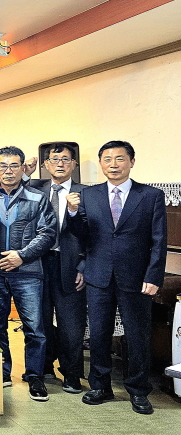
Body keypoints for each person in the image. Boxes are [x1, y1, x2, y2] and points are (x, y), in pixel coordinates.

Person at [67, 140, 167, 414]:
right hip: (98, 274)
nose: (113, 165)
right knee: (99, 334)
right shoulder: (89, 194)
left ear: (131, 162)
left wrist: (154, 276)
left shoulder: (151, 195)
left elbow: (159, 240)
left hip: (136, 277)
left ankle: (138, 390)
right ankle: (100, 386)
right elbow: (82, 235)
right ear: (101, 163)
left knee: (137, 335)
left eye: (120, 159)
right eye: (107, 159)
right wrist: (72, 213)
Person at [0, 146, 56, 402]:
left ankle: (35, 376)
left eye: (14, 166)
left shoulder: (37, 197)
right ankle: (2, 372)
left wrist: (22, 256)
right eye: (3, 166)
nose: (8, 171)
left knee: (34, 327)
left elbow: (48, 234)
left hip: (27, 272)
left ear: (22, 168)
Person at [26, 142, 87, 393]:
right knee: (38, 321)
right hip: (38, 264)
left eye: (65, 159)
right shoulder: (35, 188)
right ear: (46, 164)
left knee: (71, 324)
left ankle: (72, 374)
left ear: (74, 164)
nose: (60, 164)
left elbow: (94, 234)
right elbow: (13, 187)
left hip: (70, 265)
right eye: (54, 160)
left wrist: (83, 266)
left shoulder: (87, 193)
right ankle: (42, 369)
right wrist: (26, 173)